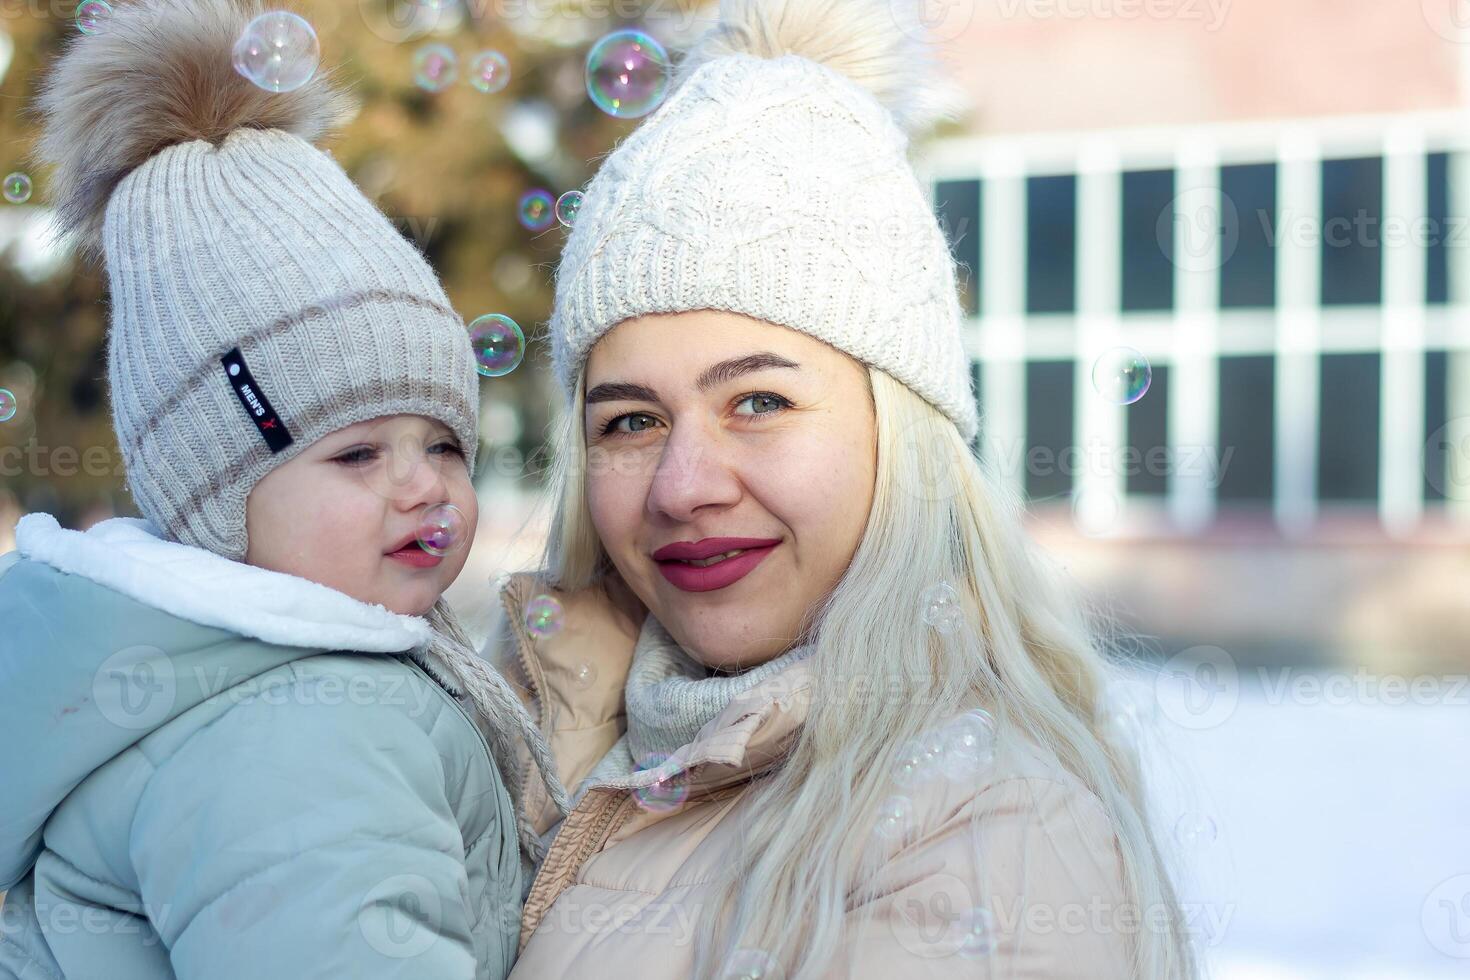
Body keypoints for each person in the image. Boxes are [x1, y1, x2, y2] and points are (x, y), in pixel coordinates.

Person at [483, 0, 1200, 977]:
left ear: (899, 435)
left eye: (760, 400)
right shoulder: (542, 760)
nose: (682, 486)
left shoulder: (985, 830)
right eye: (632, 420)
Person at [0, 1, 564, 976]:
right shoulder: (304, 730)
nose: (423, 484)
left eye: (445, 443)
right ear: (215, 492)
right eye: (356, 455)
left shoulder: (233, 674)